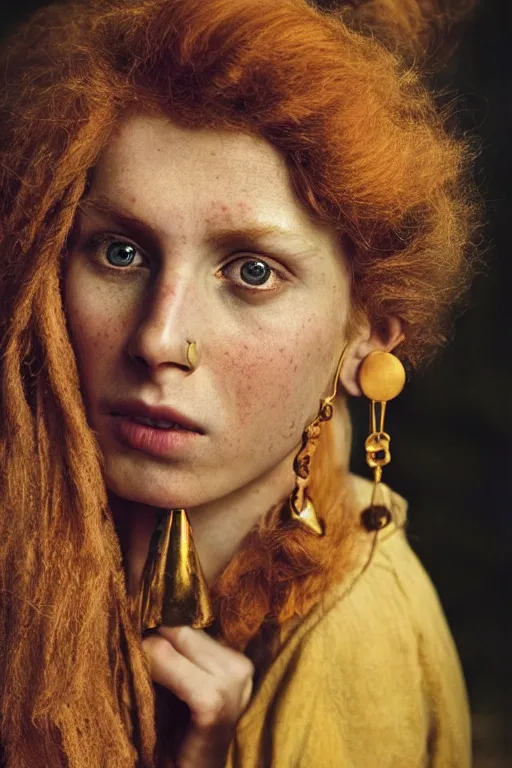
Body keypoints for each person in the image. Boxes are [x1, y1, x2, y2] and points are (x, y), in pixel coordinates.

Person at [0, 0, 479, 765]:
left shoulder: (352, 637)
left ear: (370, 334)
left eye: (252, 271)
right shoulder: (46, 540)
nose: (159, 339)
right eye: (121, 253)